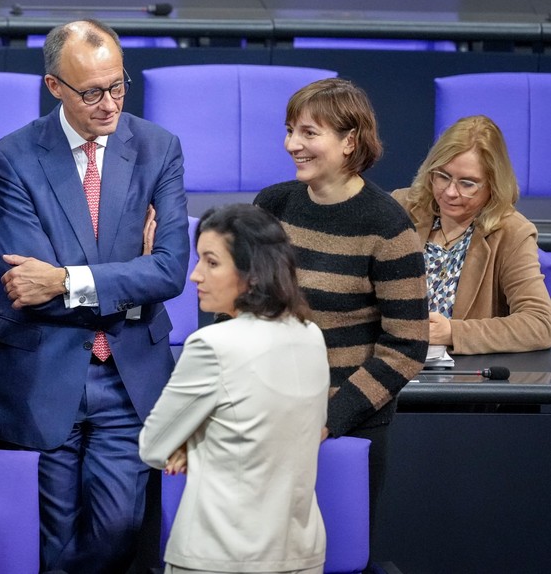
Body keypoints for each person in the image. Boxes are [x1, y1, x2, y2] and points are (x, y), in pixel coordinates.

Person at [0, 19, 189, 573]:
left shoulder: (159, 148)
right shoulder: (12, 158)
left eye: (118, 86)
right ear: (55, 87)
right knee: (51, 538)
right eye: (92, 92)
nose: (109, 103)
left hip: (129, 374)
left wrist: (67, 278)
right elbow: (29, 289)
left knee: (120, 525)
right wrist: (130, 274)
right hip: (46, 374)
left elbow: (170, 271)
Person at [252, 78, 429, 553]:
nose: (292, 144)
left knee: (335, 557)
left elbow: (407, 345)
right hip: (266, 414)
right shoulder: (272, 206)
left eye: (309, 133)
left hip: (344, 424)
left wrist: (329, 417)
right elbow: (242, 307)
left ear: (350, 140)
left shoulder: (388, 226)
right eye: (290, 130)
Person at [140, 204, 329, 574]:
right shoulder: (311, 335)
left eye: (211, 262)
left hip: (219, 555)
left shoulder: (212, 344)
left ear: (252, 274)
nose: (195, 275)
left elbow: (153, 446)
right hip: (300, 554)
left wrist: (192, 444)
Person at [392, 114, 551, 354]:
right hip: (390, 359)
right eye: (443, 176)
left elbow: (540, 324)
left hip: (461, 376)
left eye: (467, 184)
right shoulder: (401, 208)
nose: (450, 192)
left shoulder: (511, 234)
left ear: (493, 185)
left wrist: (453, 333)